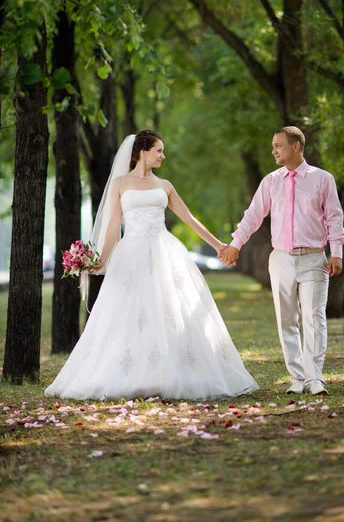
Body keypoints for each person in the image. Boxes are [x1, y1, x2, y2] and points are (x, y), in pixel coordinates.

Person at [45, 130, 259, 401]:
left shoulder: (165, 185)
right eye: (159, 150)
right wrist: (101, 259)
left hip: (163, 252)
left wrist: (220, 246)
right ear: (143, 151)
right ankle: (133, 373)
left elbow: (190, 219)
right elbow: (112, 227)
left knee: (167, 310)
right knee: (130, 312)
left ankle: (171, 372)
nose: (163, 156)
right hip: (131, 253)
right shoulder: (120, 183)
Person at [219, 126, 344, 396]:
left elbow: (334, 218)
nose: (274, 150)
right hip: (281, 260)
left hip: (314, 258)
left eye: (278, 145)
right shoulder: (271, 181)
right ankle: (298, 378)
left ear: (296, 146)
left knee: (314, 318)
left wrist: (337, 252)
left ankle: (315, 378)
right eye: (273, 145)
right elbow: (253, 216)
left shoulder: (323, 179)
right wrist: (235, 244)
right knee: (286, 320)